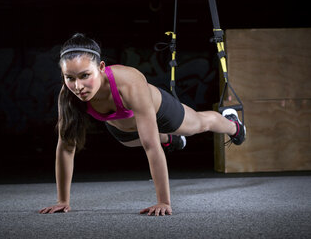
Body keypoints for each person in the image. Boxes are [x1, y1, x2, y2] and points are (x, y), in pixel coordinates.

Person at [39, 33, 246, 216]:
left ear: (101, 67)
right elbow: (66, 147)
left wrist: (163, 201)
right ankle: (171, 140)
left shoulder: (129, 82)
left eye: (85, 76)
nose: (78, 86)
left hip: (159, 111)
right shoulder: (68, 96)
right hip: (122, 127)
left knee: (198, 125)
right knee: (129, 142)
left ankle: (233, 125)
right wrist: (63, 201)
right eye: (70, 78)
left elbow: (150, 146)